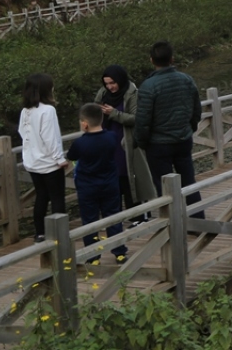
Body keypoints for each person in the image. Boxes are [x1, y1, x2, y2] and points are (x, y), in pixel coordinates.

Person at [135, 41, 204, 217]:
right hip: (183, 138)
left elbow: (143, 120)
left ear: (151, 60)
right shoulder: (186, 80)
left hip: (158, 143)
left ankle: (173, 222)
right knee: (189, 181)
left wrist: (142, 142)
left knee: (164, 187)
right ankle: (198, 219)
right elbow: (196, 109)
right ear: (172, 59)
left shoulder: (148, 86)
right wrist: (190, 127)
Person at [67, 103, 128, 263]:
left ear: (85, 124)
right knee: (113, 216)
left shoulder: (80, 143)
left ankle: (93, 256)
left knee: (90, 221)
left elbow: (71, 156)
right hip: (110, 184)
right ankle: (119, 252)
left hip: (87, 186)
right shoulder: (111, 137)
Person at [95, 65, 155, 223]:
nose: (110, 87)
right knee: (113, 179)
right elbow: (93, 112)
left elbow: (137, 118)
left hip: (126, 142)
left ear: (120, 80)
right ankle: (116, 218)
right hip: (108, 143)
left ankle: (139, 217)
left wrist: (114, 114)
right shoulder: (103, 93)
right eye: (107, 83)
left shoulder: (132, 93)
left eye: (112, 83)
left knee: (130, 179)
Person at [18, 73, 67, 242]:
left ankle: (40, 233)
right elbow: (50, 137)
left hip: (33, 162)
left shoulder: (25, 111)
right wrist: (60, 159)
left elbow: (22, 133)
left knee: (41, 196)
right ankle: (59, 233)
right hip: (49, 162)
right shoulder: (48, 110)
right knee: (57, 197)